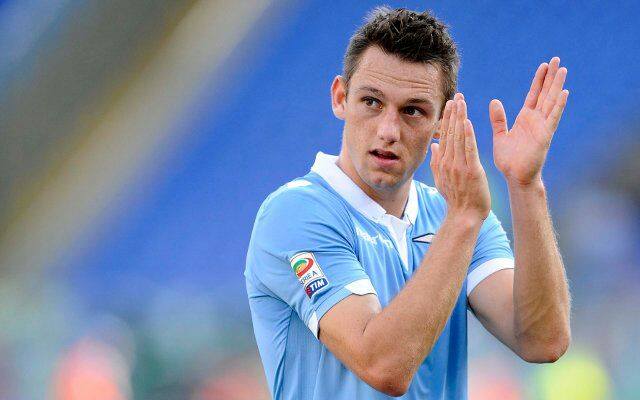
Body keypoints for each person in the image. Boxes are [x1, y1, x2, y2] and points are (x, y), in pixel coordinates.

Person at [244, 6, 571, 399]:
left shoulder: (456, 213)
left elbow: (542, 341)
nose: (388, 130)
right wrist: (463, 220)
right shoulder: (295, 213)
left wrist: (526, 185)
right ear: (340, 97)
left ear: (442, 122)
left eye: (412, 110)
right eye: (371, 102)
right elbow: (383, 366)